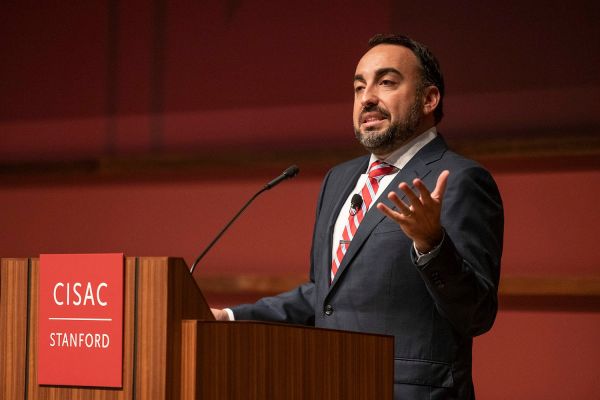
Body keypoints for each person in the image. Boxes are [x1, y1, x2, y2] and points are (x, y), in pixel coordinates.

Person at [212, 33, 503, 400]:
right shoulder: (340, 179)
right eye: (358, 87)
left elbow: (477, 314)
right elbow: (325, 296)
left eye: (386, 82)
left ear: (429, 99)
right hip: (332, 384)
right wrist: (232, 318)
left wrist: (432, 245)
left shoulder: (460, 179)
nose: (367, 98)